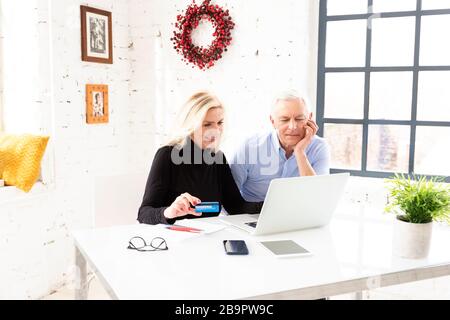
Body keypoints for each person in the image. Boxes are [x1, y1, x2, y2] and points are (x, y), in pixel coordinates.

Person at [138, 91, 263, 225]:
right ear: (190, 126)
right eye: (207, 124)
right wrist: (169, 212)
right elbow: (144, 213)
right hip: (175, 238)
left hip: (208, 237)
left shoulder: (218, 158)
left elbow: (236, 206)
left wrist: (272, 207)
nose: (216, 130)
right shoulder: (167, 155)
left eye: (219, 123)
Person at [230, 90, 331, 202]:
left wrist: (300, 152)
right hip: (252, 216)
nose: (292, 126)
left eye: (299, 119)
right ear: (272, 121)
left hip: (298, 217)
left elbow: (317, 199)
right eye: (284, 120)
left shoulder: (319, 148)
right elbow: (228, 198)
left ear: (310, 118)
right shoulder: (249, 147)